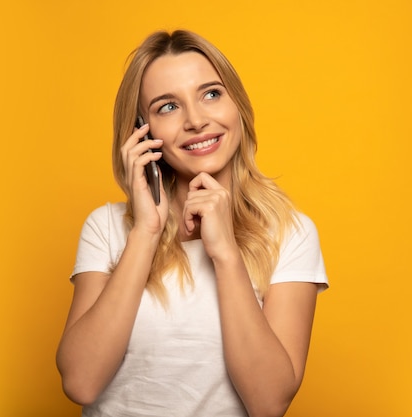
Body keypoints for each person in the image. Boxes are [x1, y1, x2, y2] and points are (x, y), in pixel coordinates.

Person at [56, 29, 328, 417]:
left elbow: (268, 403)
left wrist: (226, 255)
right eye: (168, 107)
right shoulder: (108, 228)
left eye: (211, 94)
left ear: (238, 106)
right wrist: (146, 232)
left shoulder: (289, 233)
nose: (197, 120)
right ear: (141, 132)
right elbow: (81, 381)